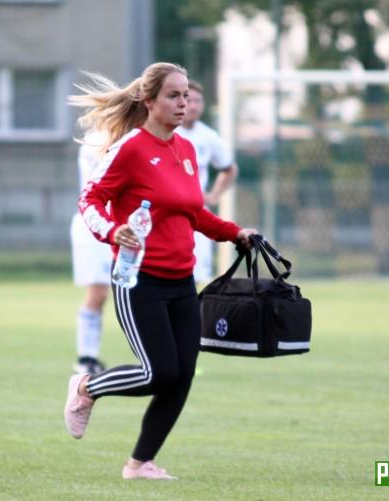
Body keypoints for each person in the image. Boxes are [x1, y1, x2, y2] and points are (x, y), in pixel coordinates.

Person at [64, 62, 257, 480]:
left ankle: (139, 464)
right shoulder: (131, 148)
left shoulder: (186, 149)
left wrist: (235, 233)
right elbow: (89, 200)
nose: (183, 102)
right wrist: (113, 231)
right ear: (149, 101)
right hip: (139, 280)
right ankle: (85, 386)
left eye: (186, 95)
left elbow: (194, 213)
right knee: (159, 372)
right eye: (174, 95)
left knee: (181, 376)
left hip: (182, 281)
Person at [176, 80, 238, 283]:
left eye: (198, 101)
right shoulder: (168, 133)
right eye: (190, 100)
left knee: (195, 276)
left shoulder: (208, 136)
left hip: (197, 214)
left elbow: (229, 168)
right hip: (170, 213)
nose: (194, 106)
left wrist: (213, 196)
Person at [70, 136, 112, 375]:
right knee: (98, 293)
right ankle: (86, 358)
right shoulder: (99, 140)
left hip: (124, 223)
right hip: (95, 224)